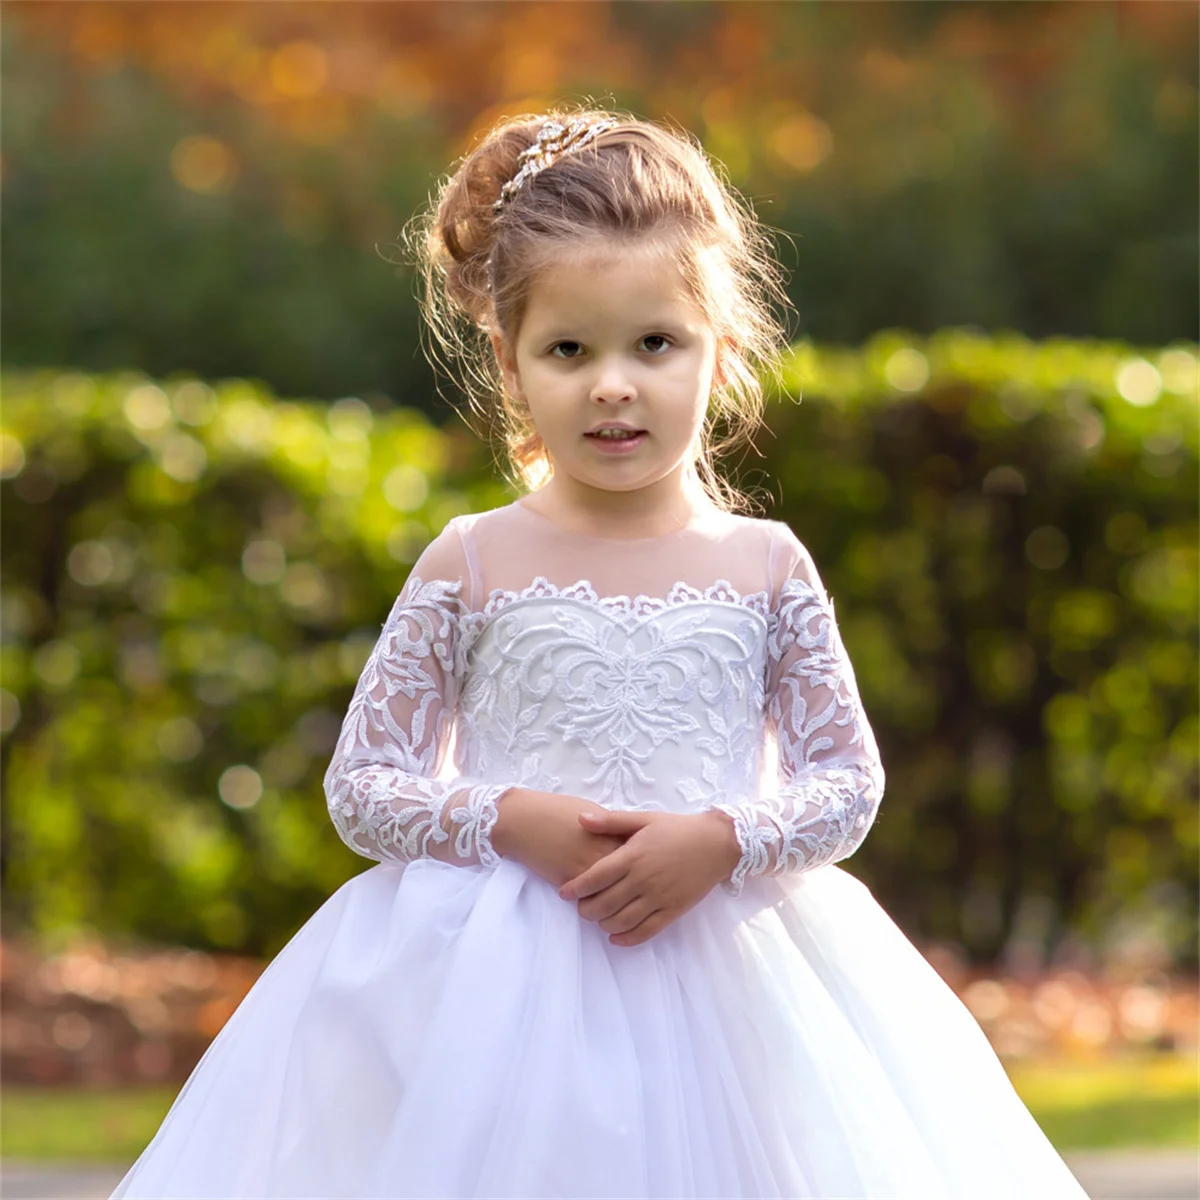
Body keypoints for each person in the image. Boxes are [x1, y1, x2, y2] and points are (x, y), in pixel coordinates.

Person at [111, 107, 1089, 1199]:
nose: (612, 384)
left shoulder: (765, 564)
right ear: (510, 363)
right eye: (569, 351)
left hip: (734, 984)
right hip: (489, 987)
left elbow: (847, 785)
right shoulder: (471, 560)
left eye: (654, 345)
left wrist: (724, 839)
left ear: (718, 351)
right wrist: (503, 818)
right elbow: (362, 786)